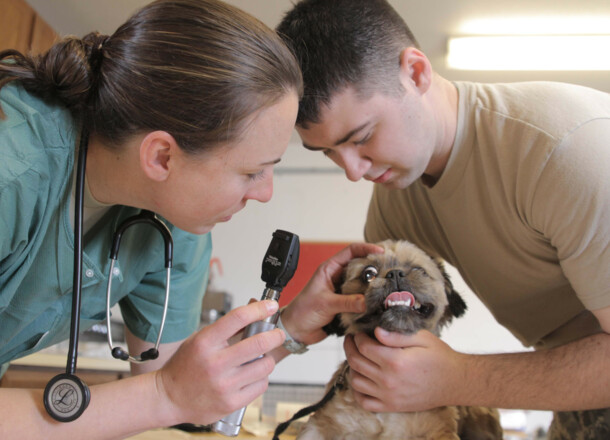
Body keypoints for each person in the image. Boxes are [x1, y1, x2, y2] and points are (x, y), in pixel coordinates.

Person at [0, 0, 381, 437]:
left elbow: (187, 390)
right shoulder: (12, 170)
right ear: (162, 156)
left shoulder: (173, 220)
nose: (265, 193)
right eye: (252, 170)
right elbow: (167, 394)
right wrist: (163, 396)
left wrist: (287, 329)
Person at [276, 0, 610, 438]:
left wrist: (459, 378)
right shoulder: (396, 199)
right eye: (330, 153)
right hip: (578, 389)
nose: (353, 171)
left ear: (415, 73)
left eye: (362, 138)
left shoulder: (566, 152)